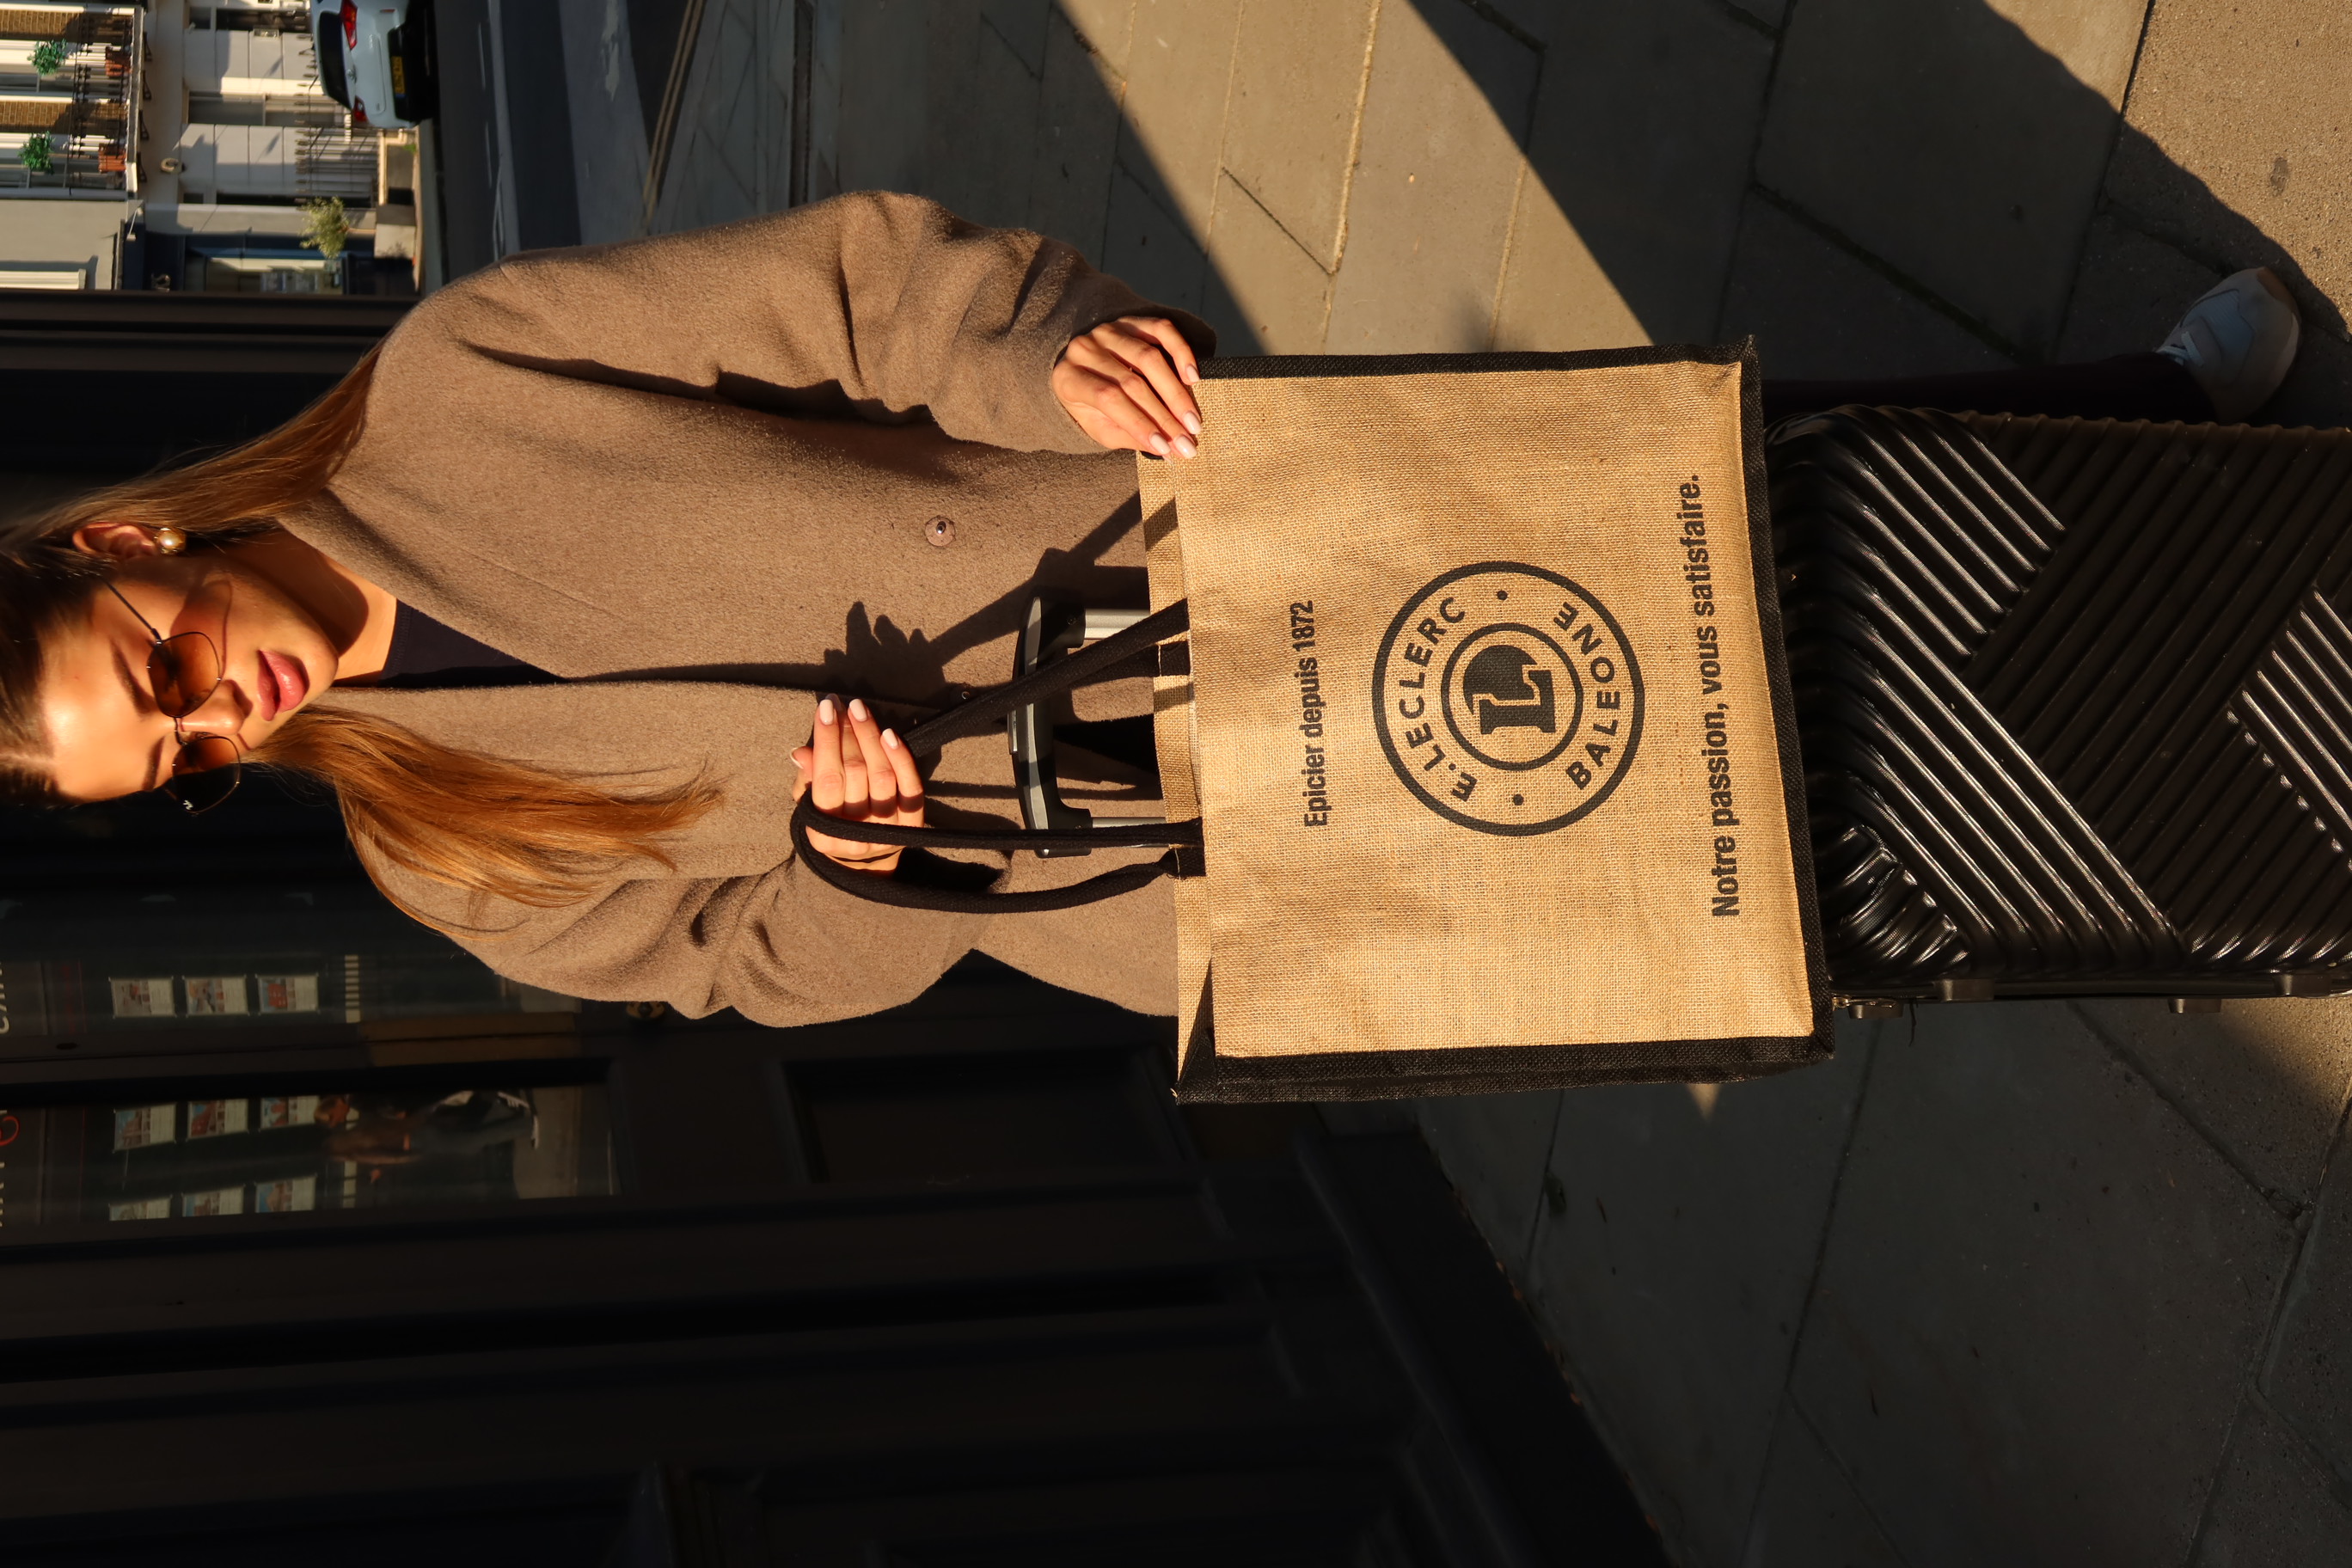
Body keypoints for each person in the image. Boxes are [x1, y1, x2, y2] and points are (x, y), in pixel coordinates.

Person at [0, 192, 2307, 1029]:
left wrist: (1037, 359)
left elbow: (850, 298)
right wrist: (858, 863)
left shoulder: (456, 386)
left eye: (159, 676)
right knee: (1753, 861)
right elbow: (748, 982)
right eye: (187, 755)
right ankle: (2208, 862)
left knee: (1716, 508)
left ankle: (2138, 424)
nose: (227, 708)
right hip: (1195, 878)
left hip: (1193, 545)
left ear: (125, 548)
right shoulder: (441, 846)